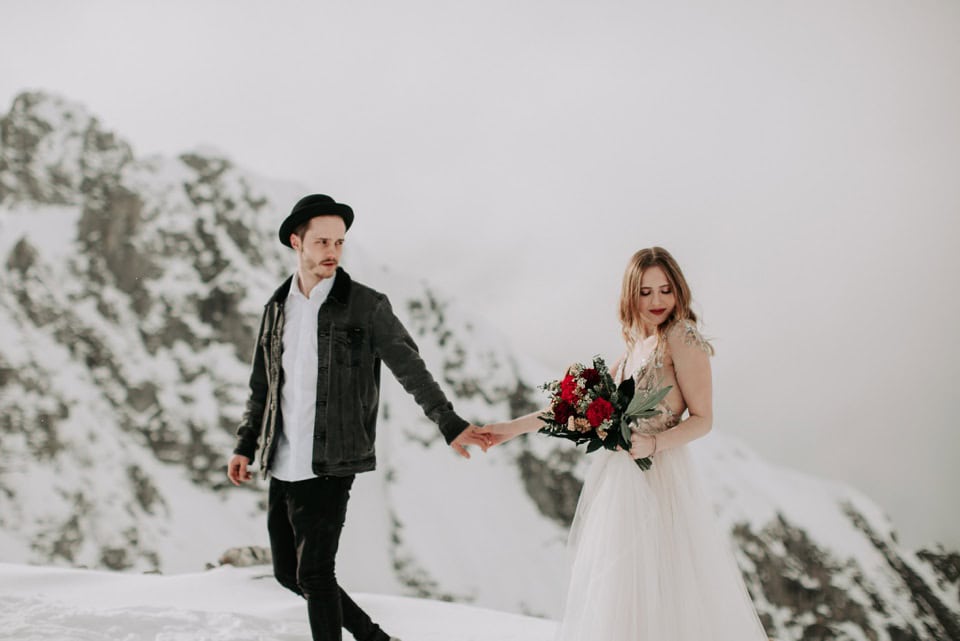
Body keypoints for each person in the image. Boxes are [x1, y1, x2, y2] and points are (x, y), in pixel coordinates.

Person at [227, 194, 489, 641]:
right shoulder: (276, 308)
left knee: (315, 574)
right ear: (296, 242)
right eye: (322, 242)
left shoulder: (366, 305)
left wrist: (449, 423)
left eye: (339, 242)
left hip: (333, 459)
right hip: (282, 459)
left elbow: (410, 368)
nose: (332, 251)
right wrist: (245, 444)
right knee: (289, 574)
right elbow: (263, 386)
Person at [479, 247, 770, 641]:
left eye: (665, 290)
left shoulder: (681, 337)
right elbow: (576, 410)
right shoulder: (635, 346)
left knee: (665, 590)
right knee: (623, 594)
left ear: (679, 290)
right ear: (631, 295)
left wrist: (655, 443)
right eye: (645, 292)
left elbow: (703, 419)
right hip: (620, 484)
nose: (656, 301)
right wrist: (508, 429)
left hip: (661, 477)